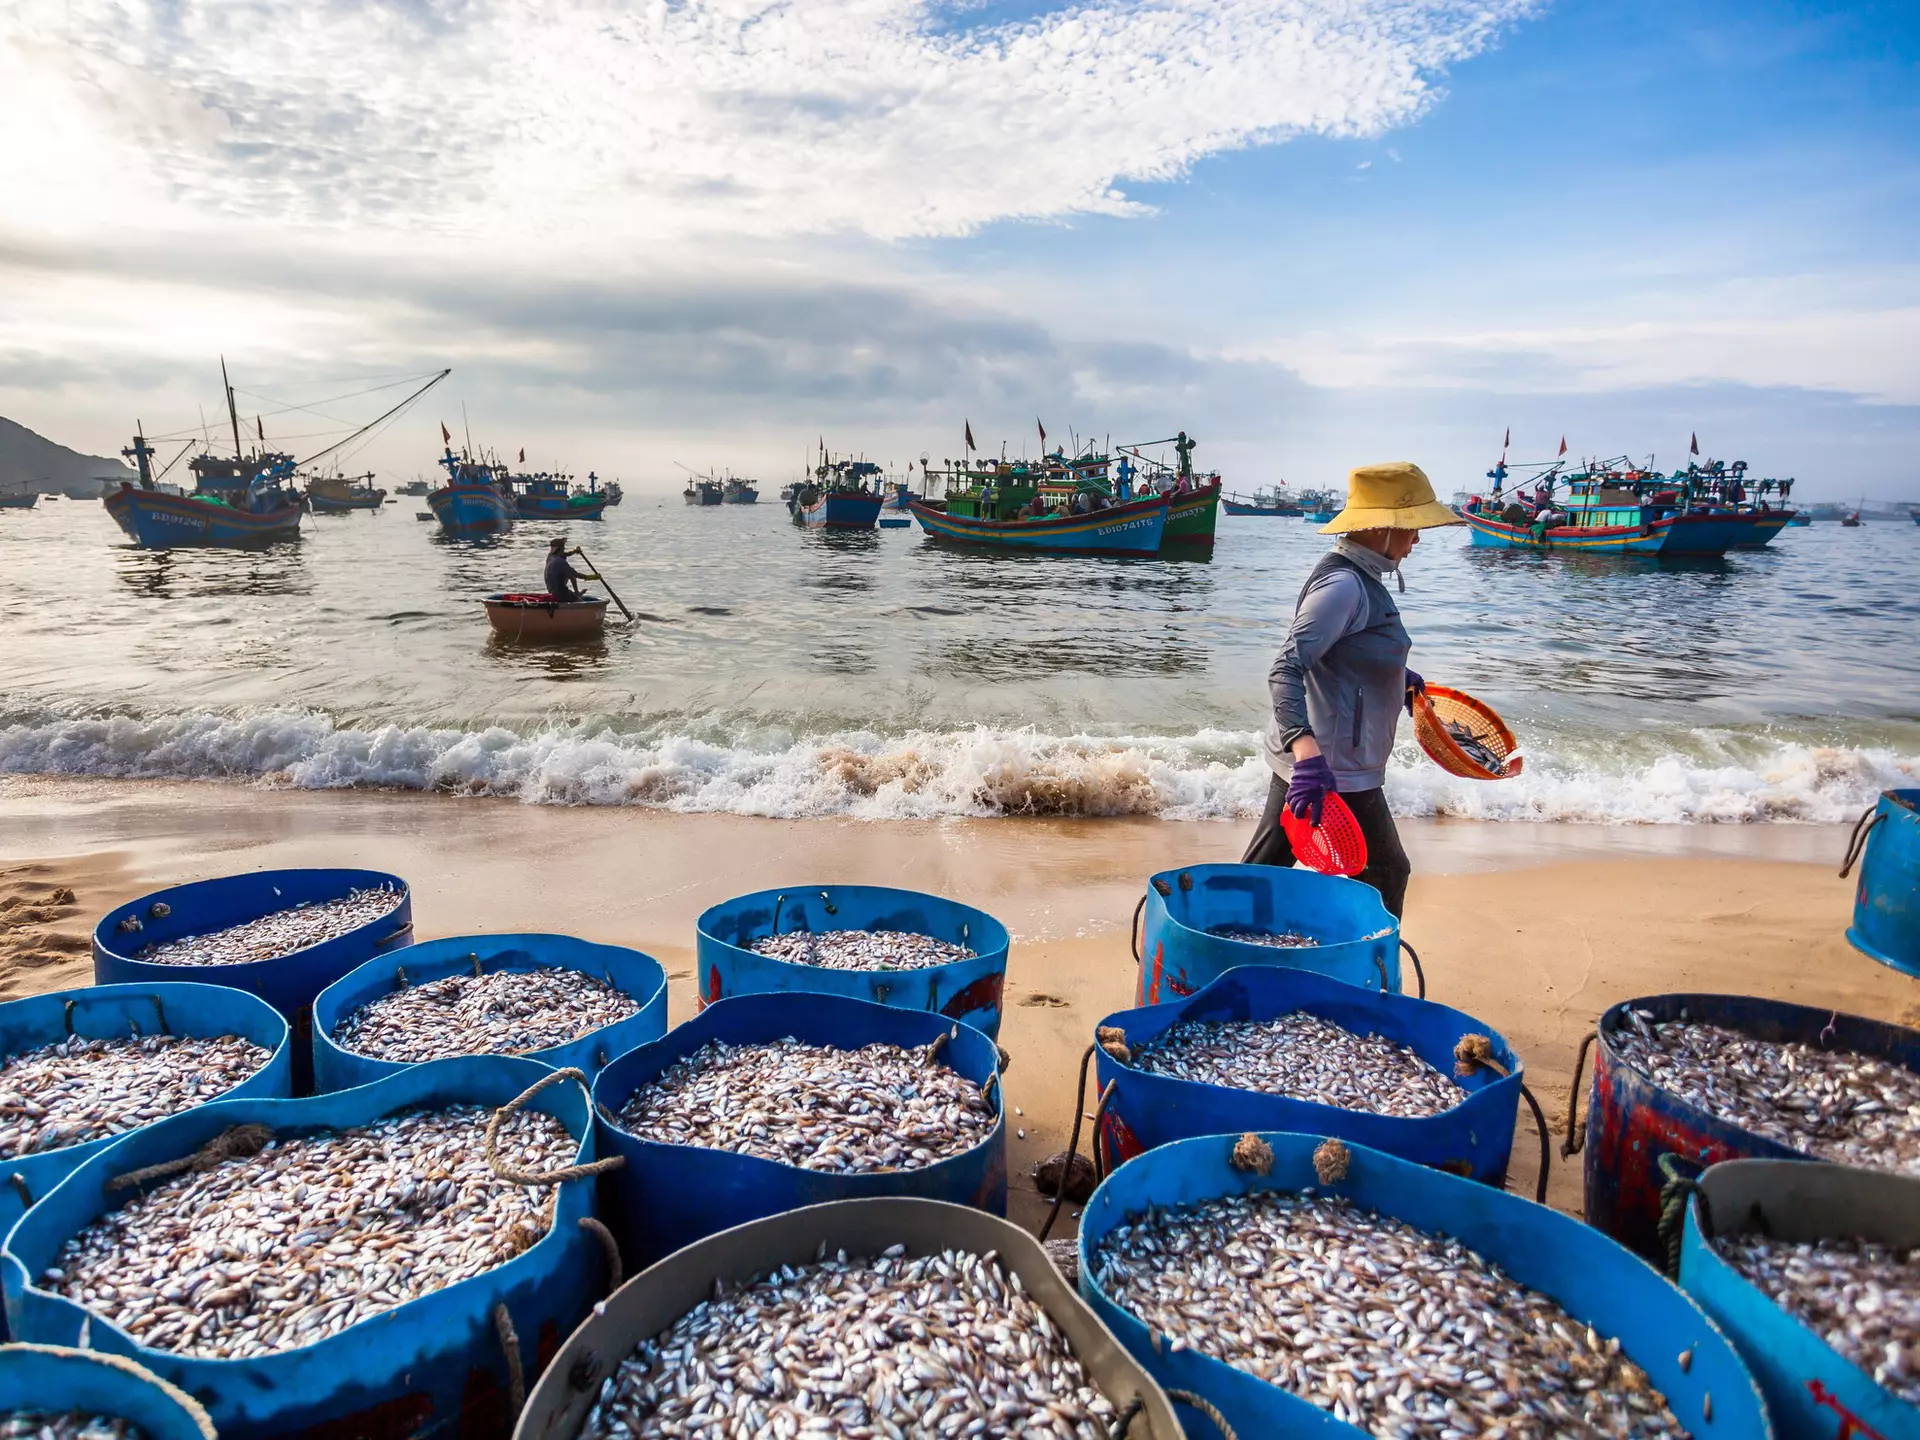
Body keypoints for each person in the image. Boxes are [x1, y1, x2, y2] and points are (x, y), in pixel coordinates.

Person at [1242, 462, 1464, 919]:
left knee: (1267, 872)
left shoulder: (1360, 577)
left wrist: (1396, 678)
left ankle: (1233, 945)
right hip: (1326, 766)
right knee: (1384, 871)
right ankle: (1366, 969)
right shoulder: (1345, 585)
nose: (1416, 540)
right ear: (1382, 528)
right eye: (1412, 527)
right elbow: (1286, 667)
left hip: (1334, 761)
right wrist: (1307, 756)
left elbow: (1343, 657)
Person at [544, 537, 588, 601]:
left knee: (570, 573)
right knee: (571, 573)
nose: (564, 549)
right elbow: (576, 574)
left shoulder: (550, 556)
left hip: (552, 591)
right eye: (563, 548)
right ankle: (576, 595)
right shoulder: (560, 562)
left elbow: (566, 554)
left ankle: (576, 593)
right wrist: (591, 577)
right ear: (560, 549)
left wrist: (575, 551)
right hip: (561, 593)